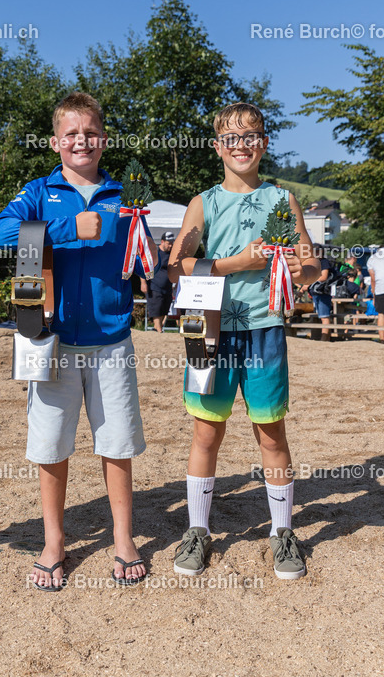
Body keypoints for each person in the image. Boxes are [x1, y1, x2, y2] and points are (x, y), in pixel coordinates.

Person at [0, 92, 149, 591]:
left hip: (112, 339)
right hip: (50, 341)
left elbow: (143, 262)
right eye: (71, 134)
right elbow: (0, 234)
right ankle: (54, 541)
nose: (81, 141)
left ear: (103, 139)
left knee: (116, 443)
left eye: (90, 133)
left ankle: (123, 539)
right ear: (57, 141)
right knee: (51, 445)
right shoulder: (38, 191)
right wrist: (67, 228)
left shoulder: (125, 198)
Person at [167, 101, 320, 581]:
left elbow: (311, 263)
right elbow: (178, 265)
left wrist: (305, 272)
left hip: (265, 325)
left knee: (271, 431)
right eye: (231, 138)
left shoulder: (283, 199)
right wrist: (238, 261)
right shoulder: (203, 203)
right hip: (207, 325)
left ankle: (282, 532)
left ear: (263, 143)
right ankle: (197, 530)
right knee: (206, 432)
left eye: (250, 135)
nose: (241, 145)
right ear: (218, 147)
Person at [140, 231, 175, 332]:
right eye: (169, 243)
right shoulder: (155, 252)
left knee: (164, 311)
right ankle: (159, 331)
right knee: (157, 310)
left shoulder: (171, 254)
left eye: (172, 243)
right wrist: (143, 282)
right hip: (154, 287)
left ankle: (157, 330)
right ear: (162, 242)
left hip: (168, 288)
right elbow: (144, 266)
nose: (171, 245)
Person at [300, 245, 334, 342]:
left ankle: (324, 339)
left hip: (323, 292)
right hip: (317, 293)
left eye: (318, 251)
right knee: (322, 316)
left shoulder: (324, 262)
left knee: (324, 317)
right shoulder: (317, 262)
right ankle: (325, 338)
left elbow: (324, 277)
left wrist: (309, 282)